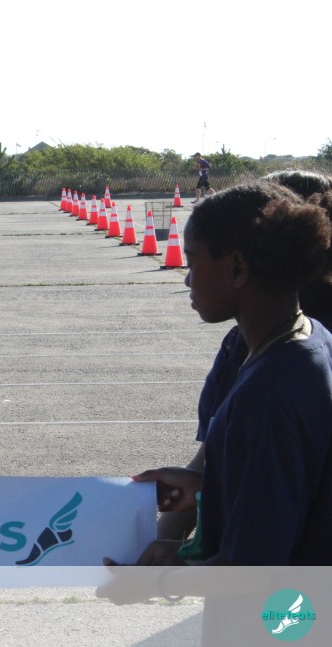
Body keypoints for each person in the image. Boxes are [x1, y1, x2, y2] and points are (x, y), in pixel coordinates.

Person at [106, 179, 332, 569]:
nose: (187, 278)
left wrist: (161, 576)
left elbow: (250, 569)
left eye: (193, 261)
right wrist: (206, 488)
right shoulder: (311, 338)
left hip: (282, 607)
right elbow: (287, 488)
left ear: (238, 267)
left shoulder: (267, 392)